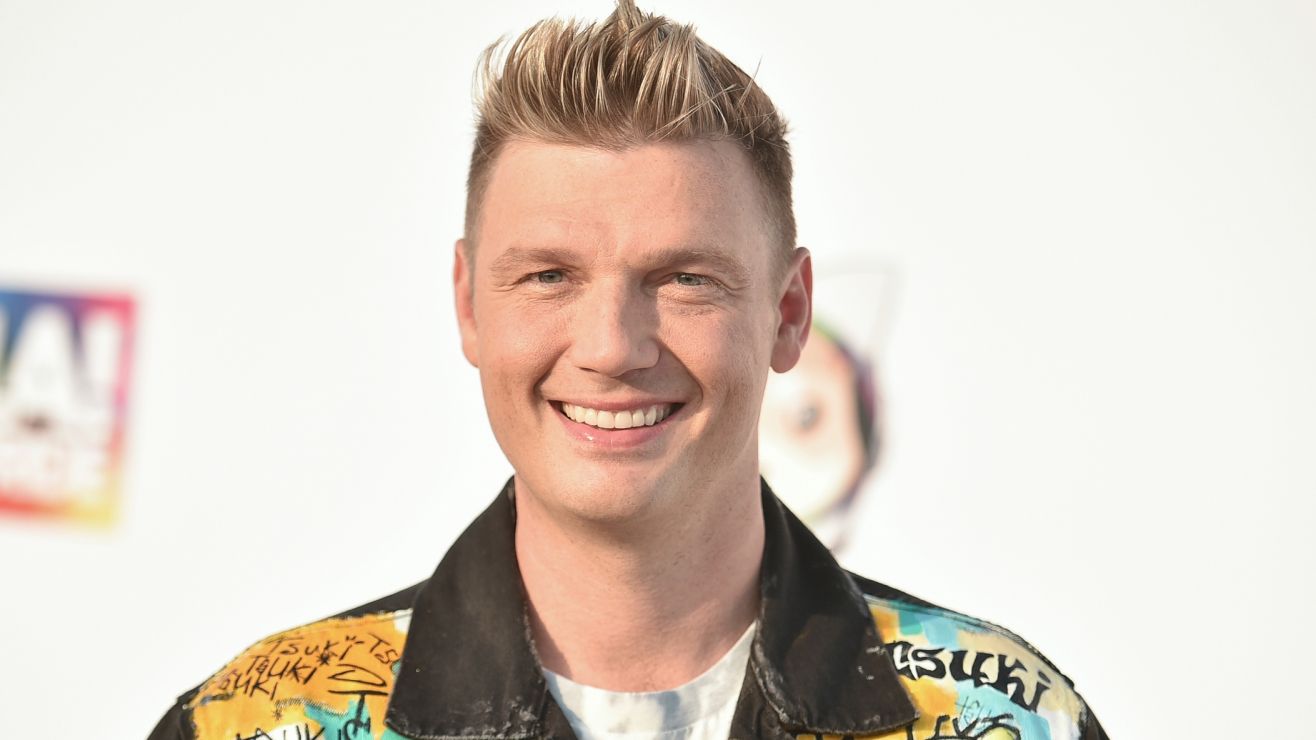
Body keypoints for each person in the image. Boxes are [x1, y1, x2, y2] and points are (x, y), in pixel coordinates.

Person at [149, 2, 1108, 738]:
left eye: (685, 279)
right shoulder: (253, 723)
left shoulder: (1012, 721)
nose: (611, 346)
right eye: (548, 276)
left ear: (788, 313)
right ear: (469, 304)